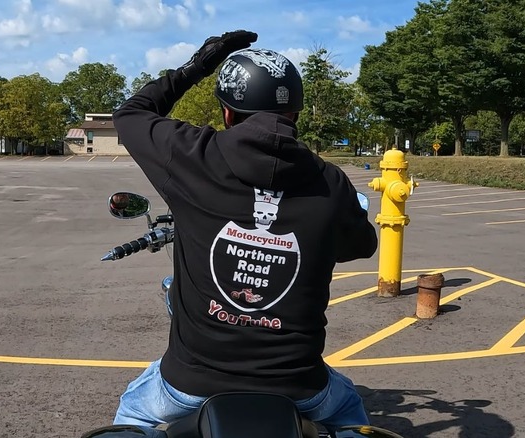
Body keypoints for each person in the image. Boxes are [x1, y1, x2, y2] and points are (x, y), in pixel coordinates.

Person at [110, 30, 378, 433]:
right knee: (349, 411)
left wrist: (197, 65)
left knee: (134, 413)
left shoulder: (190, 156)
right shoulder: (331, 183)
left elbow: (130, 114)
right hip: (300, 385)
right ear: (296, 115)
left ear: (228, 113)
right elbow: (362, 245)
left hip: (189, 382)